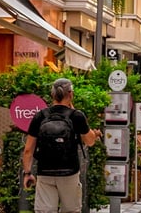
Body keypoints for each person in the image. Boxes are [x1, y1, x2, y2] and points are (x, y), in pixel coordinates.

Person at [22, 79, 100, 213]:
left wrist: (28, 173)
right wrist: (75, 112)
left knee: (45, 211)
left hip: (44, 172)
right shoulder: (76, 116)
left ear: (52, 95)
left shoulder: (40, 116)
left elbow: (28, 150)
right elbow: (90, 141)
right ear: (70, 94)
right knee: (71, 210)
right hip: (70, 172)